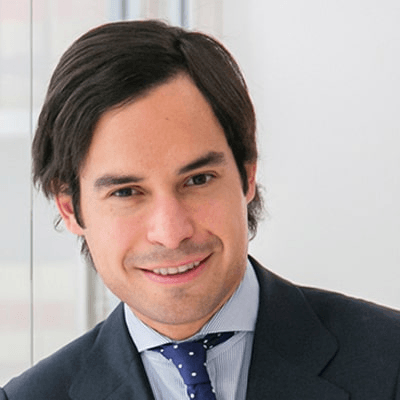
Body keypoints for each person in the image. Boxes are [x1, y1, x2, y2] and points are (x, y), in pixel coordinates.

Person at [1, 20, 399, 400]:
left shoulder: (390, 360)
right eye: (126, 192)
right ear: (70, 209)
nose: (171, 231)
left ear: (247, 177)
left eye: (197, 180)